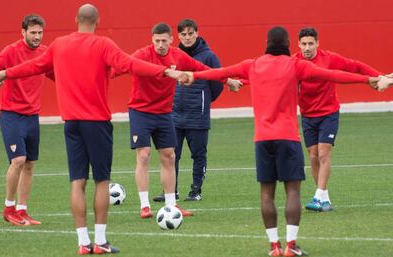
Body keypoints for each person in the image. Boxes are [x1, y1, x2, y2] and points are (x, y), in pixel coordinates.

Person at [0, 4, 181, 255]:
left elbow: (33, 66)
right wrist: (166, 71)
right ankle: (100, 241)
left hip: (72, 125)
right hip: (97, 123)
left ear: (76, 20)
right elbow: (131, 64)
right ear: (98, 21)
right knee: (102, 181)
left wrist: (5, 72)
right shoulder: (103, 45)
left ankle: (82, 242)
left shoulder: (58, 44)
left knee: (77, 182)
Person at [178, 26, 378, 257]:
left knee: (266, 194)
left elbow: (220, 72)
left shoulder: (252, 65)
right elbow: (333, 75)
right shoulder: (296, 65)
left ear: (266, 43)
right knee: (292, 192)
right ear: (288, 45)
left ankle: (274, 246)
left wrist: (193, 75)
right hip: (288, 138)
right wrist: (369, 80)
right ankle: (291, 246)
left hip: (262, 139)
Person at [117, 22, 239, 219]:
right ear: (152, 40)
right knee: (144, 155)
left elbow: (203, 69)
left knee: (170, 156)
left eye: (164, 40)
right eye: (156, 41)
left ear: (171, 40)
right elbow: (121, 67)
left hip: (164, 113)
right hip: (140, 111)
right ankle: (145, 206)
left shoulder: (177, 56)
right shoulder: (142, 54)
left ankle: (171, 205)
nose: (160, 44)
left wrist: (228, 80)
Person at [295, 27, 381, 212]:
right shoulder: (294, 62)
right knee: (313, 156)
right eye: (304, 44)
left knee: (324, 153)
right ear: (298, 45)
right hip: (308, 115)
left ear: (318, 43)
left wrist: (378, 76)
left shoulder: (329, 58)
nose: (307, 47)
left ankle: (318, 196)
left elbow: (356, 66)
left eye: (311, 43)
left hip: (328, 113)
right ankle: (324, 198)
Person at [0, 14, 54, 226]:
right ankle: (8, 208)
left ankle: (22, 210)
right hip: (11, 115)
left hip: (32, 116)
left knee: (29, 164)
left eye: (40, 32)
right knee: (18, 160)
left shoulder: (45, 53)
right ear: (23, 32)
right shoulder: (11, 51)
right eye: (33, 32)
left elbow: (55, 74)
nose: (37, 36)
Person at [152, 19, 223, 202]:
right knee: (171, 154)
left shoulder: (208, 56)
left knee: (198, 154)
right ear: (178, 36)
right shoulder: (173, 55)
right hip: (174, 115)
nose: (187, 37)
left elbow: (218, 82)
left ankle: (196, 191)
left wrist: (204, 100)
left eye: (191, 33)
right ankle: (171, 191)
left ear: (197, 34)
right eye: (183, 34)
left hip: (197, 116)